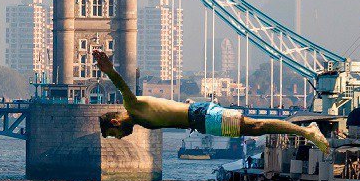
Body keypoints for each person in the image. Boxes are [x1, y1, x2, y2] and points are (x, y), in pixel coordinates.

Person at [91, 50, 330, 154]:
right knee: (255, 128)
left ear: (114, 121)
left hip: (203, 117)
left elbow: (123, 88)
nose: (120, 137)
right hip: (202, 119)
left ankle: (308, 131)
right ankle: (306, 132)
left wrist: (110, 71)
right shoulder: (137, 117)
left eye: (115, 134)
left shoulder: (132, 107)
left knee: (257, 127)